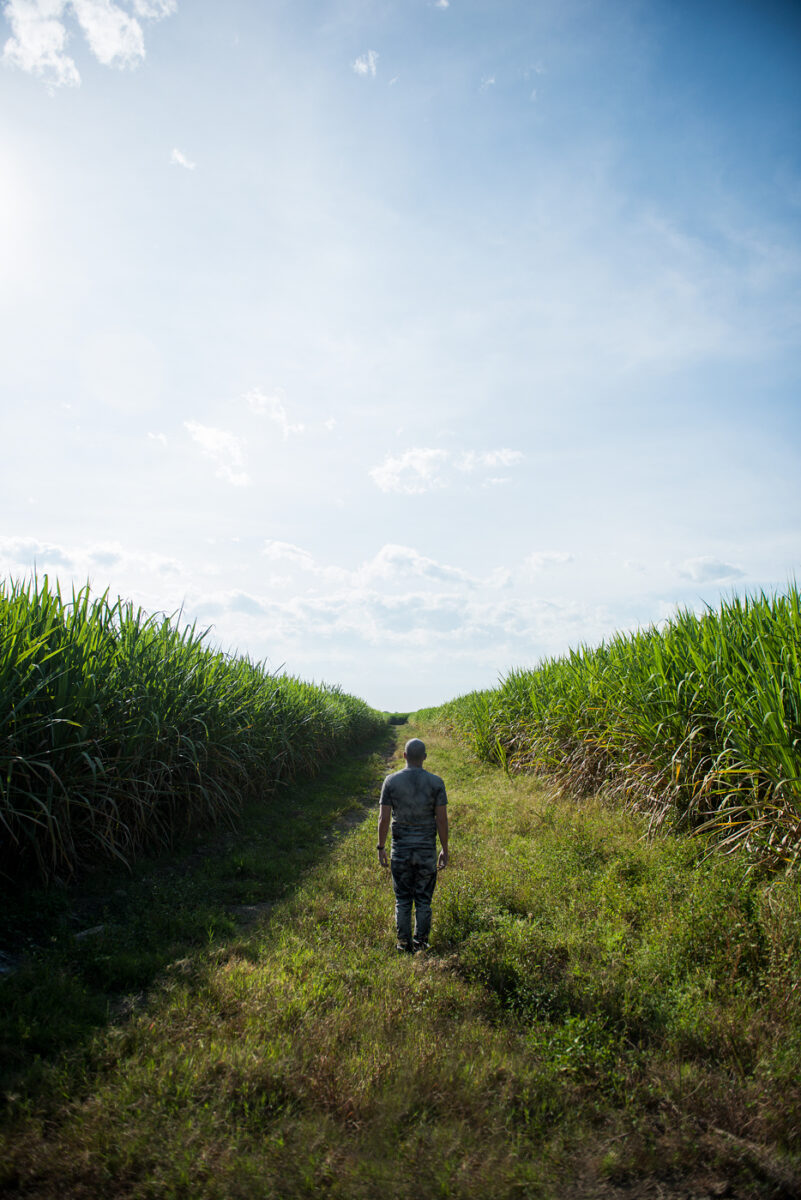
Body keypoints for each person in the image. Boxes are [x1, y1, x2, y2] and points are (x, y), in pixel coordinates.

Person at [376, 737, 449, 952]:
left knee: (403, 899)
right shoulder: (436, 783)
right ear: (424, 757)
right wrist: (444, 848)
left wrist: (381, 847)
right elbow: (442, 820)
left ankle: (403, 943)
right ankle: (421, 944)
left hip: (401, 850)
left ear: (405, 756)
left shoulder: (391, 781)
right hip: (426, 849)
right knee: (424, 900)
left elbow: (383, 818)